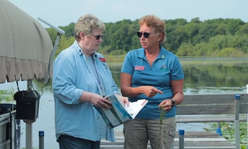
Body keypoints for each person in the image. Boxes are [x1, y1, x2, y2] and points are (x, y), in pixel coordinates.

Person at [52, 14, 128, 149]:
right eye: (97, 36)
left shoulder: (99, 59)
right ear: (82, 35)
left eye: (101, 36)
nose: (101, 40)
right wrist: (90, 97)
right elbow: (61, 88)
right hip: (74, 133)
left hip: (94, 131)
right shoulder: (67, 57)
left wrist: (119, 98)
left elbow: (110, 86)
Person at [120, 15, 184, 149]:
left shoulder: (171, 60)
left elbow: (179, 93)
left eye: (146, 34)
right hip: (135, 118)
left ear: (159, 36)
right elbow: (124, 89)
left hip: (162, 119)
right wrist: (141, 90)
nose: (142, 37)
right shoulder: (131, 57)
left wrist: (171, 102)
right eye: (140, 33)